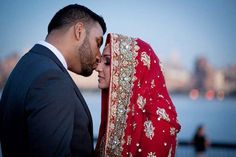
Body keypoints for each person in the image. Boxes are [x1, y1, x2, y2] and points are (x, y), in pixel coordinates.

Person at [0, 4, 106, 157]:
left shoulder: (25, 66)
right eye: (98, 42)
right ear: (79, 31)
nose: (98, 56)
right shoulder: (52, 80)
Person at [95, 33, 181, 157]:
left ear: (129, 69)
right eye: (100, 61)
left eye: (108, 62)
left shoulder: (159, 118)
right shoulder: (121, 110)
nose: (98, 68)